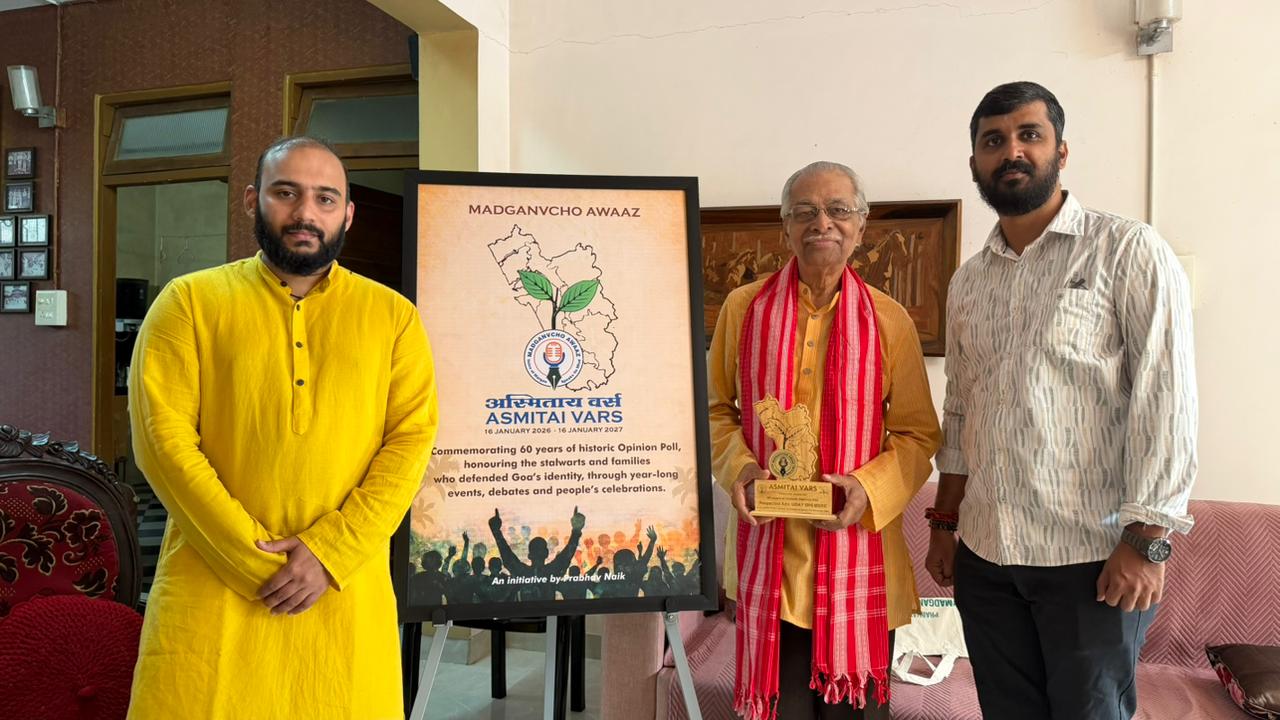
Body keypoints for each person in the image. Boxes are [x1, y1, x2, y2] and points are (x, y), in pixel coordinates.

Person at [127, 136, 438, 719]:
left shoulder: (393, 317)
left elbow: (411, 441)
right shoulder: (189, 303)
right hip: (212, 590)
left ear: (348, 214)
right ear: (252, 200)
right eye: (286, 193)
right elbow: (162, 443)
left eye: (325, 198)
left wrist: (328, 553)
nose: (305, 213)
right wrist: (260, 565)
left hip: (342, 591)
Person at [927, 81, 1197, 720]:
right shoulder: (968, 282)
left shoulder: (1128, 250)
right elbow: (961, 410)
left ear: (1061, 151)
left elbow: (1166, 401)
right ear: (975, 163)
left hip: (1092, 559)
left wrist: (1148, 541)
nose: (1011, 152)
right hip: (987, 557)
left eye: (1029, 135)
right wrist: (944, 526)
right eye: (993, 141)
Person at [709, 161, 941, 719]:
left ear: (861, 226)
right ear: (785, 226)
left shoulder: (889, 320)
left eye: (838, 210)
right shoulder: (742, 309)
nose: (823, 223)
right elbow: (716, 411)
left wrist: (868, 487)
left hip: (860, 557)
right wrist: (740, 468)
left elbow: (917, 432)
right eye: (805, 211)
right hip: (771, 561)